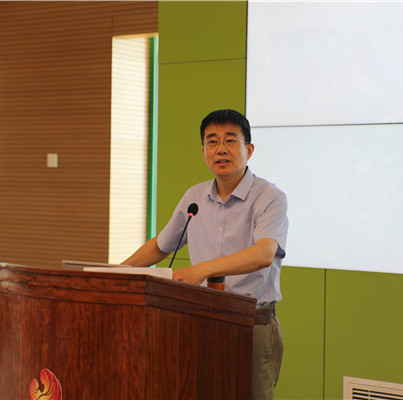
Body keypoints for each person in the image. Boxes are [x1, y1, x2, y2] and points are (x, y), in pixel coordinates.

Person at [122, 109, 288, 399]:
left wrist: (202, 270)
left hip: (251, 325)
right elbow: (161, 245)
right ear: (203, 152)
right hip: (200, 321)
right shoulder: (194, 197)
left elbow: (264, 253)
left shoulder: (270, 197)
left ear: (249, 150)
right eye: (212, 141)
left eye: (230, 140)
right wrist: (118, 272)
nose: (221, 149)